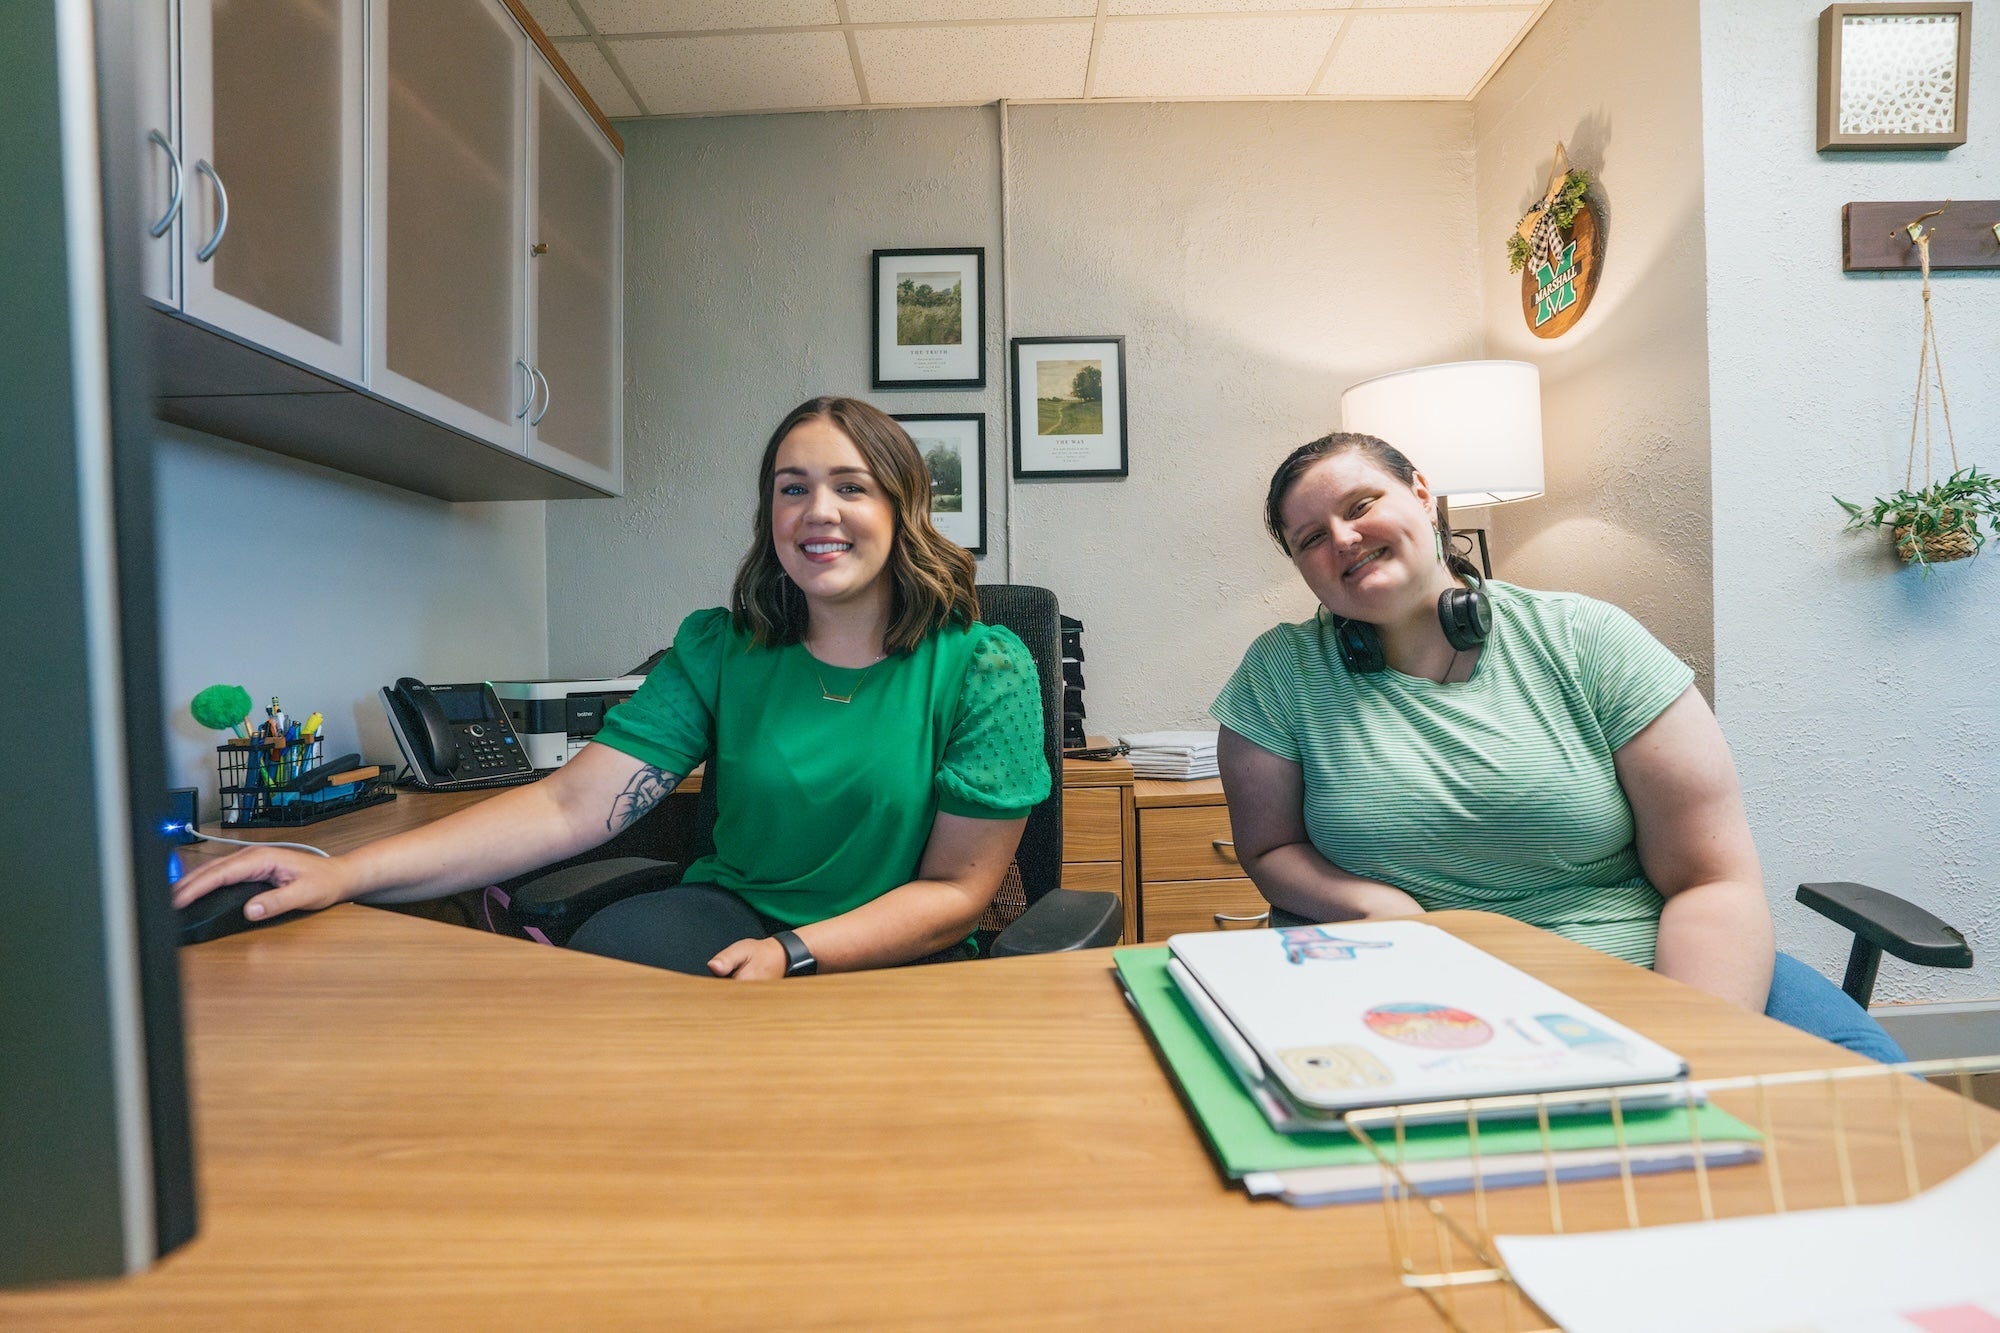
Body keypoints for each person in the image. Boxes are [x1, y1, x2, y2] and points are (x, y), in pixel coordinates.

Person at [172, 396, 1050, 979]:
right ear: (770, 516)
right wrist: (339, 871)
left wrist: (795, 952)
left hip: (895, 953)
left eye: (849, 487)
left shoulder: (985, 669)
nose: (817, 511)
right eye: (793, 489)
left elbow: (955, 896)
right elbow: (566, 808)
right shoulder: (721, 648)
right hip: (736, 912)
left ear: (903, 511)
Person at [1211, 431, 1904, 1061]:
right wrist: (1374, 904)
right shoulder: (1280, 672)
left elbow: (1711, 878)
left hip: (1653, 970)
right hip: (1422, 989)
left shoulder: (1589, 639)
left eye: (1360, 505)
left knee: (1885, 1113)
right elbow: (1269, 849)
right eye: (1310, 539)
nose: (1343, 538)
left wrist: (1689, 1050)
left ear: (1423, 494)